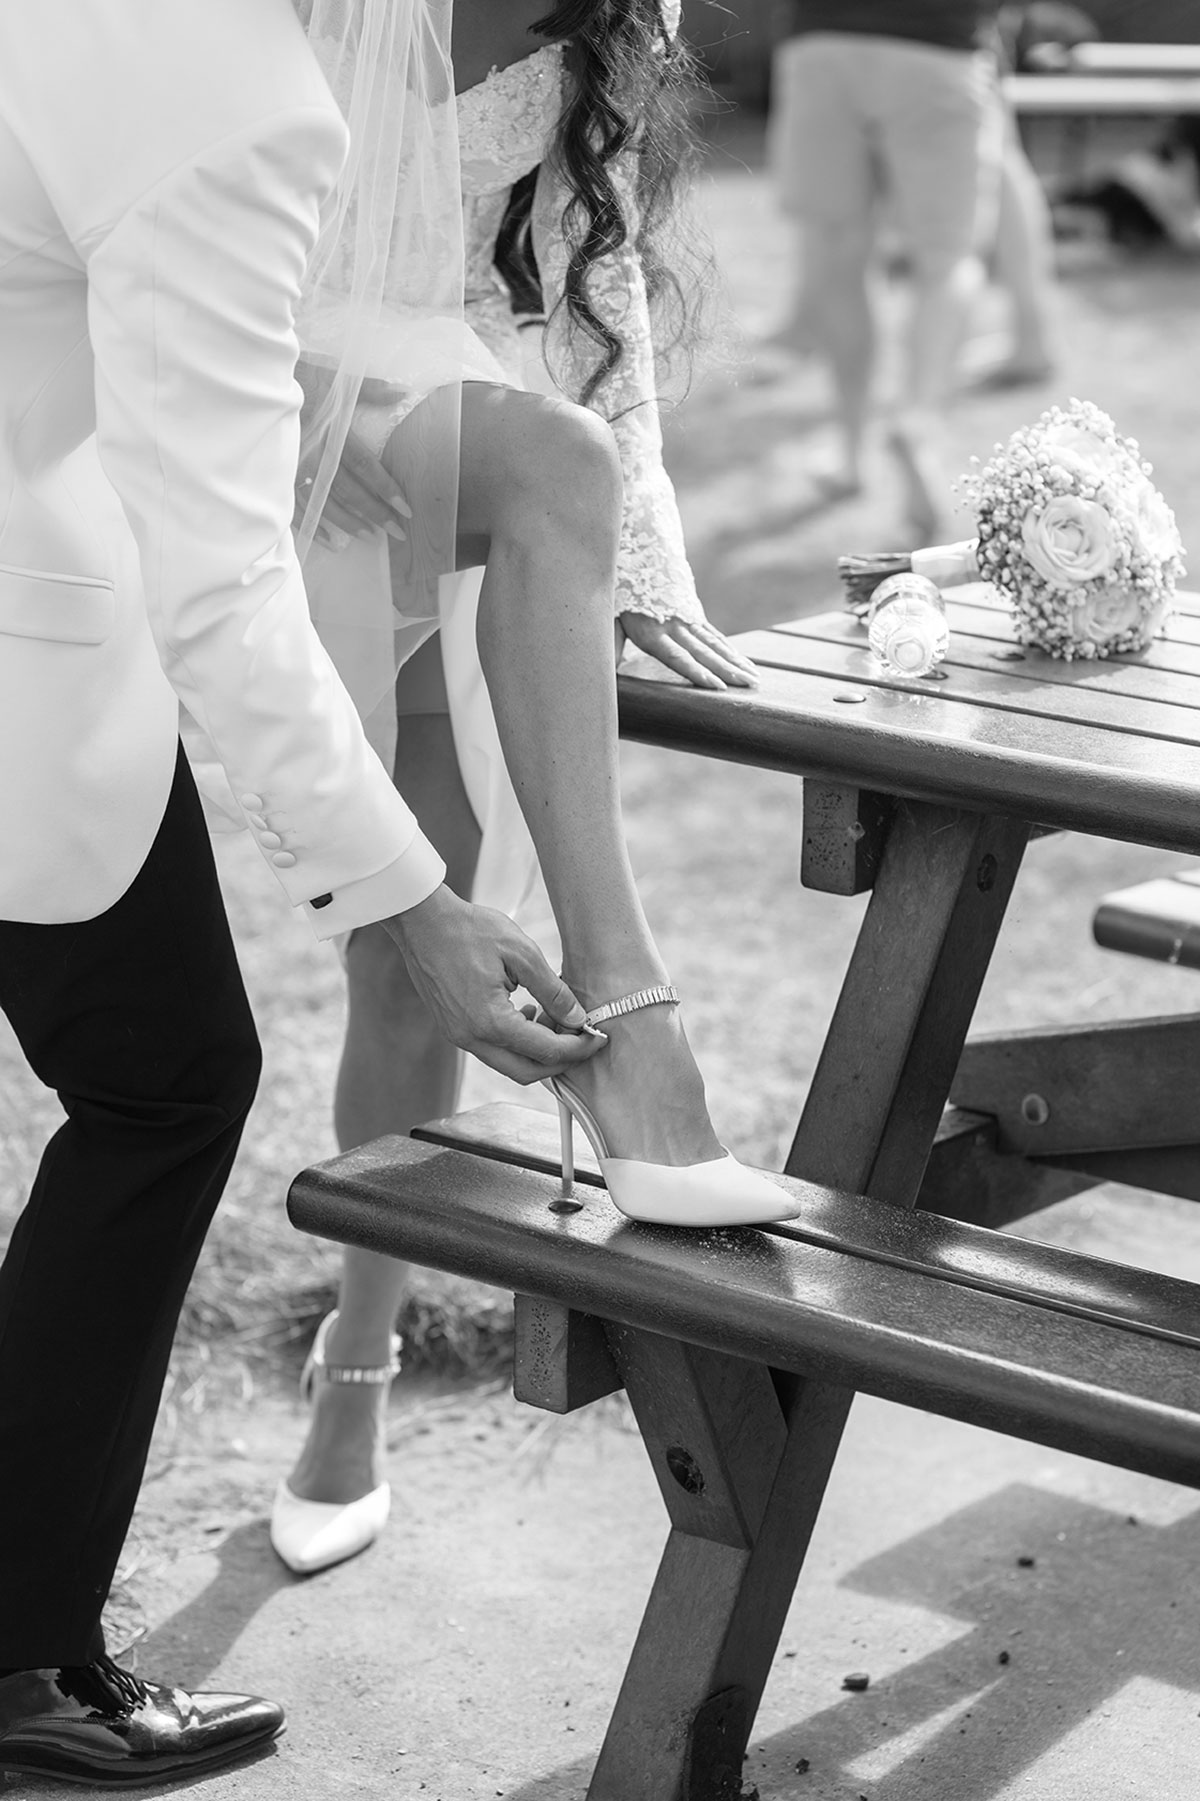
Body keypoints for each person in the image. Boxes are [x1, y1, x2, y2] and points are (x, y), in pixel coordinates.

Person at [0, 0, 620, 1784]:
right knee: (166, 1087)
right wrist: (407, 897)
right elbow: (214, 561)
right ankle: (14, 1660)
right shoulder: (241, 95)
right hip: (30, 661)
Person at [269, 0, 795, 1579]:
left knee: (416, 946)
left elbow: (596, 270)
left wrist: (639, 564)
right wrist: (298, 400)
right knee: (549, 465)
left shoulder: (621, 9)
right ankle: (641, 1042)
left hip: (462, 420)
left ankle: (351, 1376)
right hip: (264, 399)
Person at [767, 0, 1007, 538]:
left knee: (836, 251)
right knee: (947, 262)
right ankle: (915, 420)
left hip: (824, 42)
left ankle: (852, 453)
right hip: (940, 46)